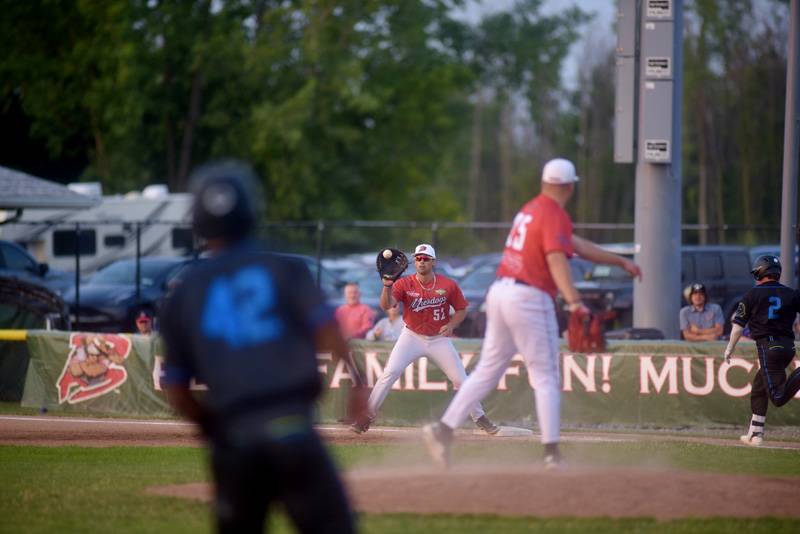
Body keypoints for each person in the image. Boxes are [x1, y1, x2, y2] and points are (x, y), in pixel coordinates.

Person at [159, 160, 365, 534]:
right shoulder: (284, 270)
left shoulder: (183, 293)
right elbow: (328, 331)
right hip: (294, 429)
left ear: (198, 221)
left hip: (235, 440)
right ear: (251, 213)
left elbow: (174, 387)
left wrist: (214, 427)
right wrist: (358, 383)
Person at [423, 158, 642, 470]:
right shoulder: (554, 213)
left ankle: (443, 430)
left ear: (544, 182)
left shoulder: (531, 209)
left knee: (487, 370)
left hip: (499, 292)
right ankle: (552, 454)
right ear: (569, 186)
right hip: (528, 296)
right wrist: (574, 301)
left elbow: (575, 245)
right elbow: (557, 258)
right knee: (546, 375)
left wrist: (619, 261)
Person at [351, 243, 499, 436]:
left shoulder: (448, 284)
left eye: (425, 259)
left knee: (461, 379)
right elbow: (387, 305)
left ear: (433, 262)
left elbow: (462, 309)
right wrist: (387, 286)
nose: (421, 262)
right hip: (411, 336)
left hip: (438, 339)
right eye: (418, 258)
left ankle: (480, 418)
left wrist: (452, 324)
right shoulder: (404, 284)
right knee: (390, 372)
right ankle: (365, 417)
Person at [724, 255, 800, 447]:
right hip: (788, 347)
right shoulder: (791, 294)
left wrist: (729, 349)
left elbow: (738, 327)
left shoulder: (752, 295)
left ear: (760, 271)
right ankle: (755, 434)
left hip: (769, 347)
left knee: (778, 397)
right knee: (759, 388)